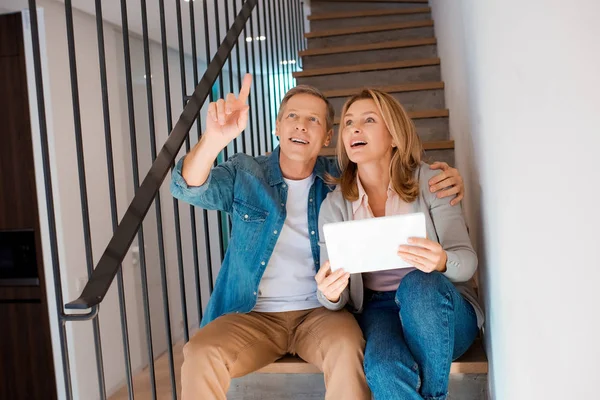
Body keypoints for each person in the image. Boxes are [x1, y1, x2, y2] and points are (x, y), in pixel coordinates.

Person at [170, 75, 466, 399]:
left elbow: (385, 167)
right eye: (292, 117)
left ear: (326, 136)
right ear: (277, 128)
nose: (301, 126)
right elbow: (188, 188)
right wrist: (213, 139)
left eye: (313, 120)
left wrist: (447, 178)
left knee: (348, 348)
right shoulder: (245, 173)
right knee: (199, 354)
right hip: (252, 314)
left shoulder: (341, 178)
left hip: (321, 314)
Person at [315, 89, 484, 400]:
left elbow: (467, 263)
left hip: (441, 309)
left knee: (417, 285)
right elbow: (334, 300)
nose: (354, 129)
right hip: (378, 309)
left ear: (393, 135)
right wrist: (329, 293)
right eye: (349, 122)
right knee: (381, 367)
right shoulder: (334, 206)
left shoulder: (433, 182)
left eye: (368, 120)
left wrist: (442, 261)